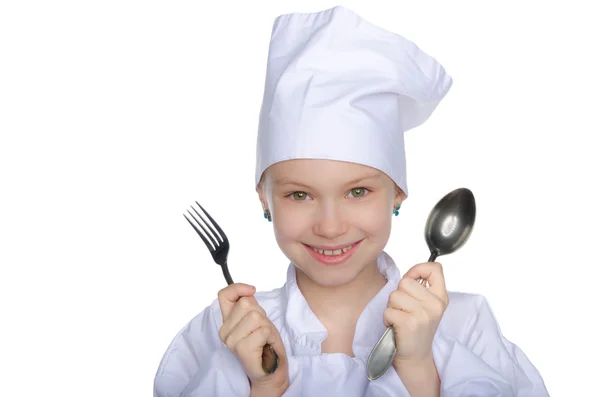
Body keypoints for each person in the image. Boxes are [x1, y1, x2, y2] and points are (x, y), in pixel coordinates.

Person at [154, 6, 549, 396]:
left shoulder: (464, 324)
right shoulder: (226, 329)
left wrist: (418, 368)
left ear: (397, 191)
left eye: (357, 191)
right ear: (265, 199)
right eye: (299, 194)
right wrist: (265, 386)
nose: (329, 226)